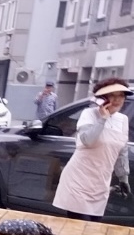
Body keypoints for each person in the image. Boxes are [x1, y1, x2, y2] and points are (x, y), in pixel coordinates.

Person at [53, 77, 132, 222]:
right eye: (112, 95)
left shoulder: (123, 120)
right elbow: (88, 141)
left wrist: (123, 178)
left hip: (100, 184)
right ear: (103, 98)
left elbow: (122, 150)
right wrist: (102, 119)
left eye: (121, 95)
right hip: (78, 181)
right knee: (80, 229)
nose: (117, 99)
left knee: (93, 231)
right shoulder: (89, 114)